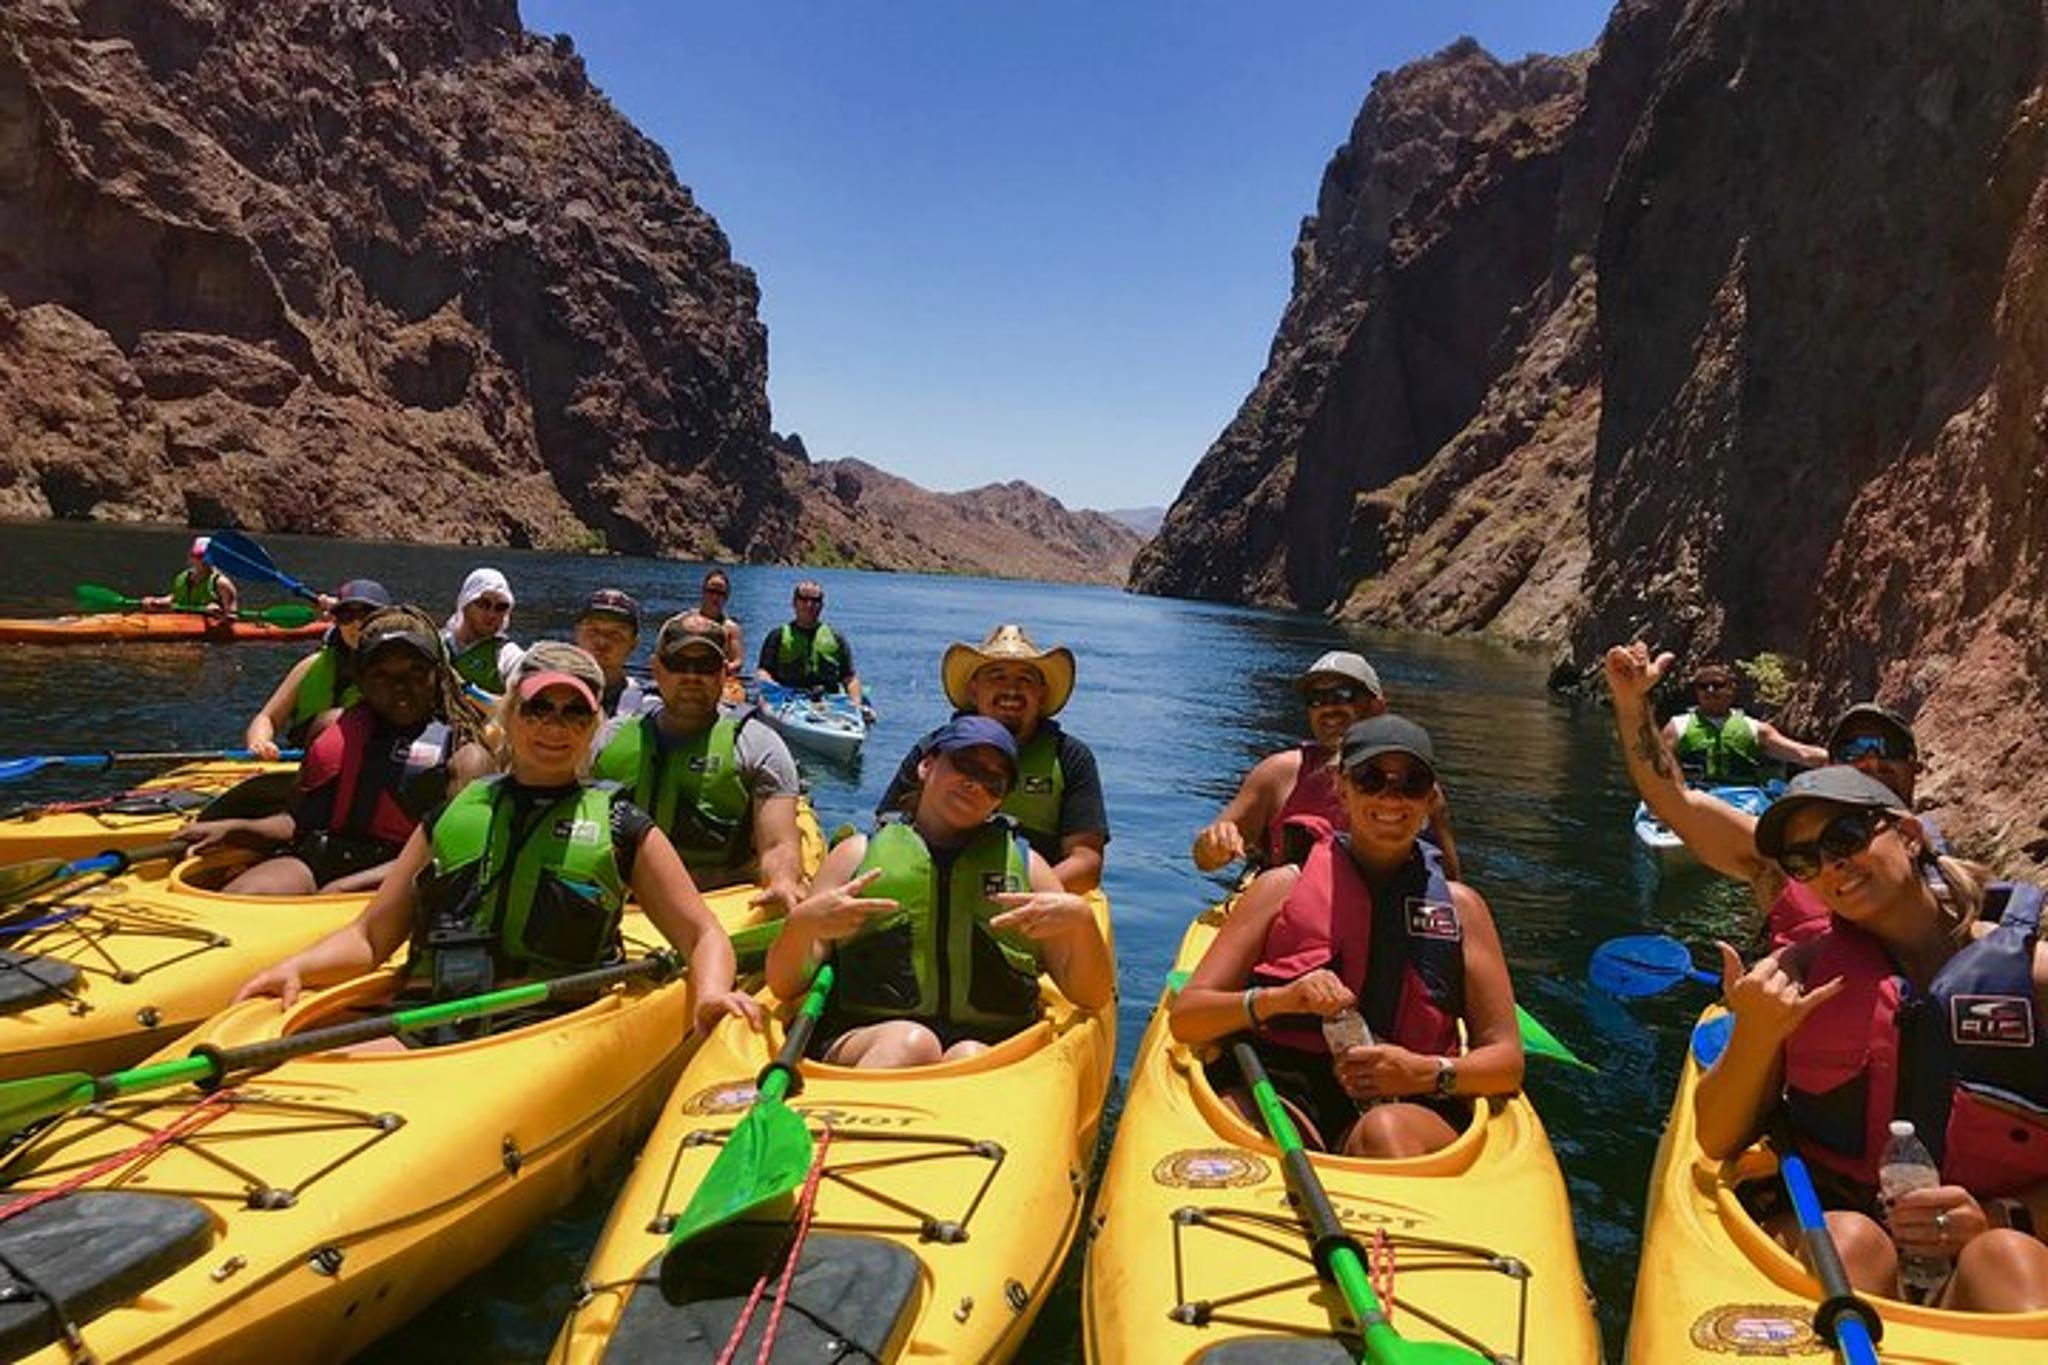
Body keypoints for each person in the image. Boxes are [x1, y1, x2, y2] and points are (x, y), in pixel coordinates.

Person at [233, 643, 763, 1041]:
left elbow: (702, 936)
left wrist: (712, 993)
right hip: (440, 1016)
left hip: (550, 1031)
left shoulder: (623, 827)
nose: (554, 728)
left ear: (593, 725)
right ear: (509, 716)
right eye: (538, 709)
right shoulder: (450, 816)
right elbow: (371, 938)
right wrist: (297, 967)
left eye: (573, 712)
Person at [1698, 767, 2048, 1311]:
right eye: (1803, 860)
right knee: (1851, 1244)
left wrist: (2003, 1215)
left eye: (1845, 837)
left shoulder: (2036, 976)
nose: (1830, 866)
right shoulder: (1796, 976)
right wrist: (1757, 1037)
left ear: (1909, 835)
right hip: (1843, 1233)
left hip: (1995, 1243)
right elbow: (1716, 1138)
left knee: (2006, 1258)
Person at [1170, 715, 1521, 1158]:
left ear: (1430, 799)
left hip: (1413, 1099)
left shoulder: (1463, 909)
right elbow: (1187, 1018)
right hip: (1288, 1090)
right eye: (1371, 778)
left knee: (1385, 1132)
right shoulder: (1280, 888)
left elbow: (1507, 1062)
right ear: (1341, 788)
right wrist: (1281, 999)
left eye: (1410, 783)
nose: (1390, 797)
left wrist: (1425, 1073)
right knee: (1240, 1125)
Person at [765, 716, 1113, 1069]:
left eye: (993, 781)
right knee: (910, 1042)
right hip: (868, 1036)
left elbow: (1091, 996)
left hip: (992, 1047)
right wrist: (801, 924)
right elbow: (785, 985)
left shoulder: (1030, 869)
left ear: (1000, 800)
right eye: (965, 765)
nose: (975, 784)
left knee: (969, 1053)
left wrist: (1082, 923)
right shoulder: (855, 856)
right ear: (926, 766)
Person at [1606, 643, 1943, 946]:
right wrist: (1632, 704)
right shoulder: (1780, 856)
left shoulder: (1951, 876)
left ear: (1916, 766)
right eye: (1853, 750)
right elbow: (1673, 801)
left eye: (1889, 748)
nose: (1870, 759)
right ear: (1833, 765)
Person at [183, 607, 495, 894]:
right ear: (360, 680)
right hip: (323, 859)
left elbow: (453, 861)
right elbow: (296, 822)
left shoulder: (466, 757)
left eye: (415, 673)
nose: (400, 686)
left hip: (402, 882)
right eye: (382, 675)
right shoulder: (330, 728)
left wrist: (348, 887)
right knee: (245, 895)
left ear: (438, 676)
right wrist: (237, 829)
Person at [592, 614, 805, 913]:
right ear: (656, 668)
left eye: (705, 666)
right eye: (678, 664)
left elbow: (777, 844)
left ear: (723, 674)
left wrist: (782, 880)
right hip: (621, 904)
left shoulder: (759, 747)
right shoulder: (608, 739)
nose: (691, 676)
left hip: (718, 904)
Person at [876, 625, 1108, 892]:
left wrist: (1013, 896)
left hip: (1034, 901)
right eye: (997, 677)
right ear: (973, 689)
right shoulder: (935, 749)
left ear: (1042, 693)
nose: (1011, 690)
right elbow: (885, 833)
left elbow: (1086, 862)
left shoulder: (1070, 757)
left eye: (1025, 679)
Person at [1193, 651, 1460, 878]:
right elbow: (1205, 860)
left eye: (1342, 695)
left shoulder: (1414, 787)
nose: (1327, 708)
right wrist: (1214, 843)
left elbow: (1448, 880)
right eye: (1316, 699)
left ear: (1377, 707)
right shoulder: (1278, 774)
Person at [244, 579, 392, 759]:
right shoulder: (310, 666)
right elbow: (267, 718)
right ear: (337, 622)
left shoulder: (397, 672)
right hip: (304, 764)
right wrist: (260, 742)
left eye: (366, 615)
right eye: (346, 616)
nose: (356, 624)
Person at [1663, 659, 1828, 785]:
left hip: (1742, 800)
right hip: (1692, 798)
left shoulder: (1755, 729)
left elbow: (1802, 753)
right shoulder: (1677, 726)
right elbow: (1654, 765)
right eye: (1703, 686)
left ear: (1731, 688)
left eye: (1718, 685)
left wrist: (1838, 758)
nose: (1710, 690)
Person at [756, 580, 868, 715]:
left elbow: (849, 678)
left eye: (815, 600)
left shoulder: (836, 638)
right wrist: (774, 691)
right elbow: (763, 672)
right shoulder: (777, 636)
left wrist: (856, 706)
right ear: (794, 603)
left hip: (828, 702)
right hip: (787, 701)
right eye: (803, 599)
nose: (809, 605)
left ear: (822, 605)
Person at [442, 567, 524, 694]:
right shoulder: (438, 643)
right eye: (484, 604)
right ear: (466, 604)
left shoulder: (507, 656)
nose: (492, 614)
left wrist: (470, 692)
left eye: (501, 607)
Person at [573, 588, 651, 721]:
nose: (602, 642)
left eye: (615, 635)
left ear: (634, 644)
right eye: (593, 631)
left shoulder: (647, 706)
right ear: (576, 634)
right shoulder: (544, 693)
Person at [141, 536, 238, 617]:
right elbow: (176, 598)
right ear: (191, 557)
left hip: (208, 627)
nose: (204, 561)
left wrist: (218, 613)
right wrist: (156, 601)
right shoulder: (182, 578)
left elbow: (233, 617)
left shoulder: (223, 585)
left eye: (208, 557)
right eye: (199, 556)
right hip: (181, 623)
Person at [696, 569, 744, 676]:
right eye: (711, 591)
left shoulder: (732, 629)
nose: (715, 597)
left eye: (720, 593)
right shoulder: (687, 622)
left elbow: (738, 662)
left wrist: (727, 667)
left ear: (726, 597)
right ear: (703, 592)